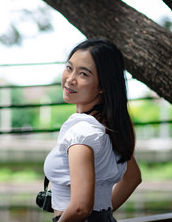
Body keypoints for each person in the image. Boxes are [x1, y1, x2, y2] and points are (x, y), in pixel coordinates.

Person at [44, 38, 142, 222]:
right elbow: (133, 178)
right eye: (69, 67)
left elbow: (80, 208)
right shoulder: (109, 128)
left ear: (104, 86)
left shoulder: (81, 133)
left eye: (83, 74)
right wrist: (102, 215)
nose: (70, 79)